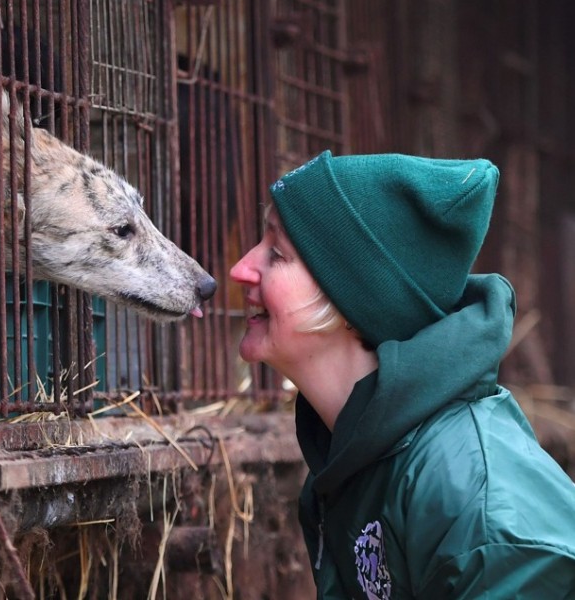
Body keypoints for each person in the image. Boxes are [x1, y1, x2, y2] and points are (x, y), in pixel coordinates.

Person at [229, 150, 575, 599]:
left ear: (353, 300)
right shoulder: (351, 456)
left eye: (276, 253)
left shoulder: (479, 512)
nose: (240, 268)